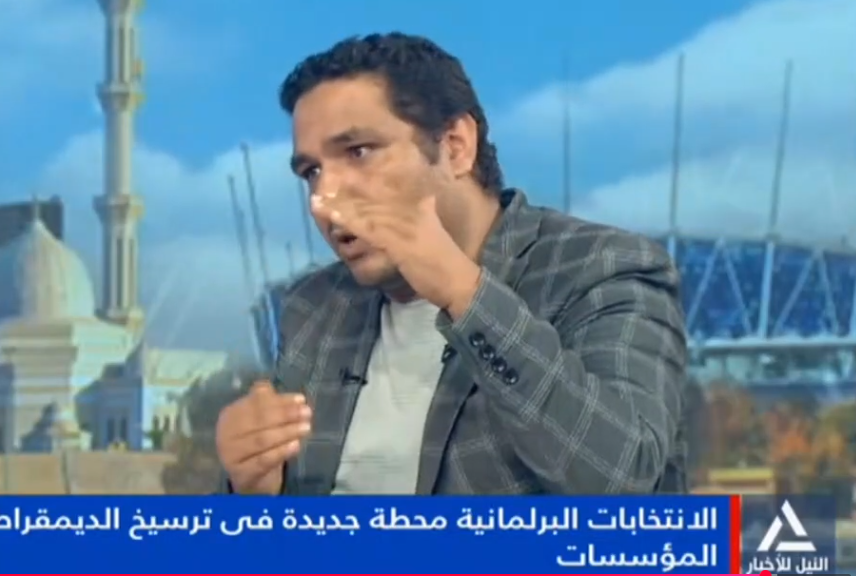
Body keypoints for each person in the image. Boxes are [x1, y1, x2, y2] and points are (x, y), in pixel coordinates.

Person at [215, 33, 688, 495]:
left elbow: (624, 480)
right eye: (312, 172)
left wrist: (464, 292)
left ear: (456, 146)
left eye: (358, 152)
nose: (324, 200)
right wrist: (250, 490)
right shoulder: (315, 305)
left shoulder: (602, 269)